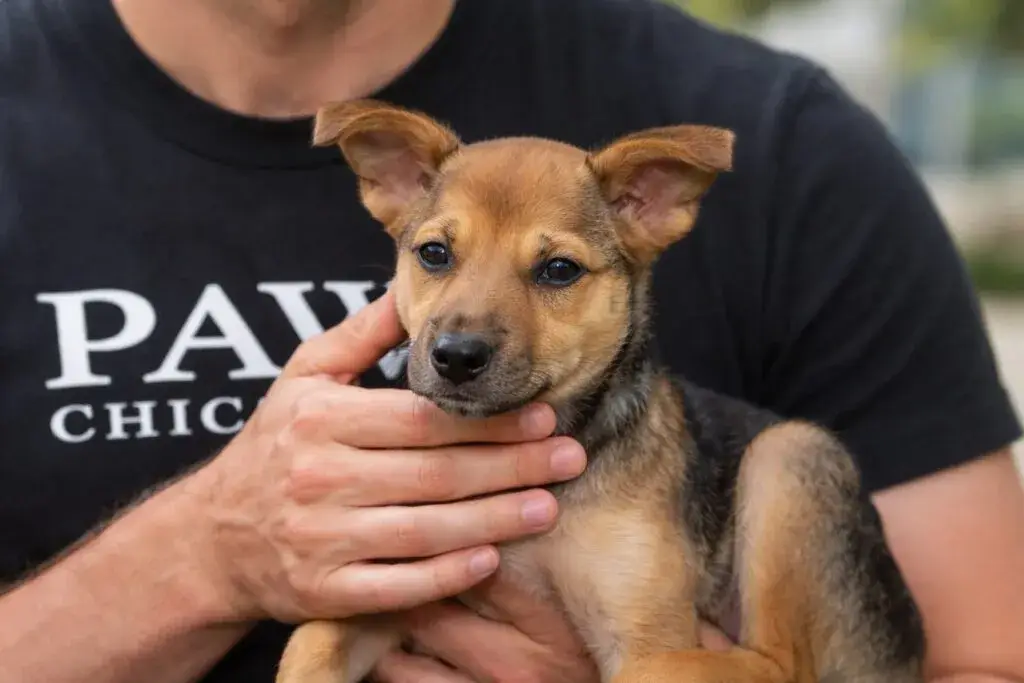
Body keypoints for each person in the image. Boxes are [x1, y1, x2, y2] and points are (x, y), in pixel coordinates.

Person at [0, 0, 1021, 681]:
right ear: (389, 186)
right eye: (437, 256)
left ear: (649, 212)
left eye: (556, 269)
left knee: (796, 458)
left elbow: (984, 654)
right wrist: (204, 554)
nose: (463, 329)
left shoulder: (790, 134)